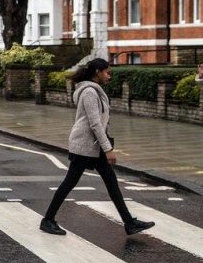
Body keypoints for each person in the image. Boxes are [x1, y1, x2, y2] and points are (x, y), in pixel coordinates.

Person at [40, 58, 155, 236]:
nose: (109, 75)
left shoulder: (93, 90)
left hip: (94, 145)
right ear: (97, 72)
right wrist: (108, 148)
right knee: (69, 183)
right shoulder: (89, 93)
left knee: (111, 182)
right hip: (85, 145)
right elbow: (95, 124)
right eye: (107, 72)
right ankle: (47, 220)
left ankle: (129, 223)